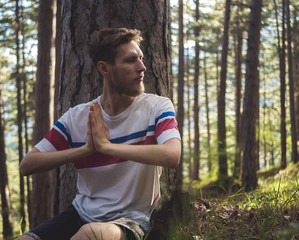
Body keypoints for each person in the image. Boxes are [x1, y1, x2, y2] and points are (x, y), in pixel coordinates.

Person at [17, 28, 181, 240]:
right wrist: (85, 150)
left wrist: (107, 147)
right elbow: (27, 165)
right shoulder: (76, 117)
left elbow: (172, 155)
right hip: (80, 214)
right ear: (104, 68)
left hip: (134, 220)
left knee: (90, 234)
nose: (142, 67)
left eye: (141, 58)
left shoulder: (157, 106)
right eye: (131, 60)